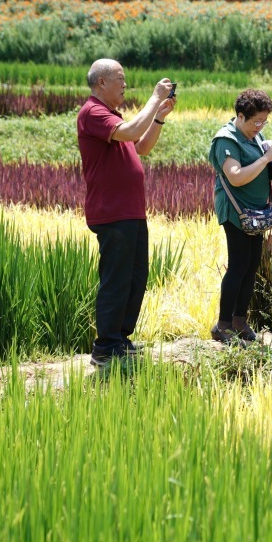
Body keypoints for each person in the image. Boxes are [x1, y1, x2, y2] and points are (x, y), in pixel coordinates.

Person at [77, 59, 175, 367]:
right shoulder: (93, 112)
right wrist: (156, 96)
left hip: (130, 211)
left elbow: (141, 145)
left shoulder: (111, 116)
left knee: (135, 277)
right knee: (116, 279)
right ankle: (105, 346)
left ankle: (120, 338)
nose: (125, 84)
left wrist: (157, 118)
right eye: (120, 79)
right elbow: (132, 130)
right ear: (102, 82)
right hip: (112, 211)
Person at [209, 89, 272, 343]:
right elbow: (236, 177)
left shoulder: (256, 137)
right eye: (255, 121)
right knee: (238, 265)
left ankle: (240, 321)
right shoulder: (226, 140)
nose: (259, 126)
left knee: (251, 266)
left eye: (264, 121)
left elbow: (265, 170)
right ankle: (222, 325)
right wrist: (267, 156)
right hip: (236, 210)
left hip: (257, 211)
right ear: (240, 116)